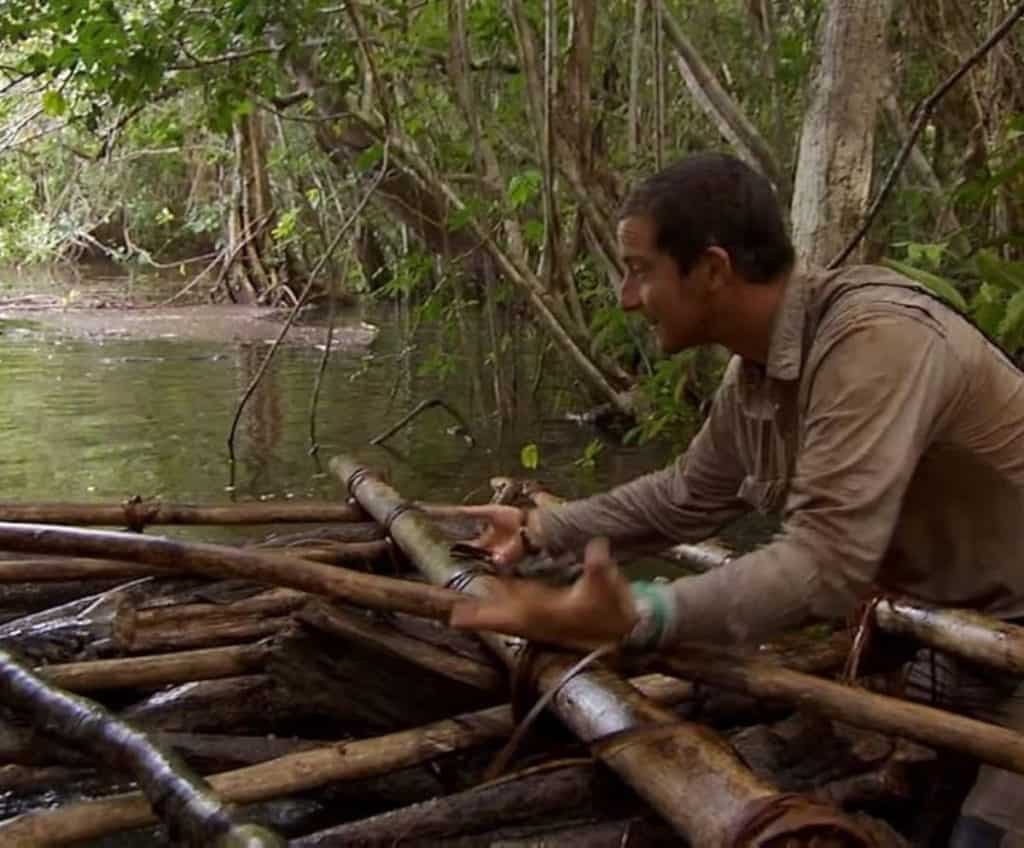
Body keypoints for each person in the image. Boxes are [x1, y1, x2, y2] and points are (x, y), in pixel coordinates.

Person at [449, 153, 1024, 847]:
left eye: (640, 270)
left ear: (712, 269)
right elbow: (686, 495)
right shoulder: (753, 373)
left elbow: (827, 561)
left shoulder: (878, 342)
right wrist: (544, 529)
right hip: (966, 632)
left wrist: (644, 613)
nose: (627, 297)